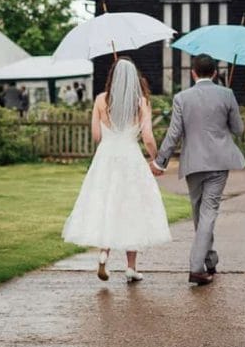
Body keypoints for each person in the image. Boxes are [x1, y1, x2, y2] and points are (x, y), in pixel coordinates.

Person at [63, 58, 172, 282]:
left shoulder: (101, 100)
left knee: (107, 204)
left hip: (106, 157)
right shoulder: (141, 102)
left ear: (112, 76)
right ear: (134, 78)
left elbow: (96, 136)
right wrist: (158, 159)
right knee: (131, 207)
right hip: (130, 157)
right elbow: (148, 137)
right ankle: (131, 267)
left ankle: (104, 253)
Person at [151, 54, 245, 286]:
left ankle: (208, 260)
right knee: (207, 213)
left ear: (193, 73)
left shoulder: (182, 97)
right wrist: (227, 109)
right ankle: (197, 266)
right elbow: (238, 130)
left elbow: (173, 134)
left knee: (200, 213)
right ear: (214, 72)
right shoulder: (227, 94)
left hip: (193, 163)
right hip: (219, 162)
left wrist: (160, 161)